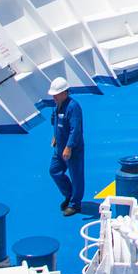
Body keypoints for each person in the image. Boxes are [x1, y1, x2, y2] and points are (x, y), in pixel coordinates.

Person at [48, 76, 85, 215]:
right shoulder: (57, 106)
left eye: (56, 94)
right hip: (59, 148)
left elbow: (75, 129)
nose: (54, 97)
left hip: (72, 149)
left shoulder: (73, 107)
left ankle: (75, 204)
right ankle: (69, 194)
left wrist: (69, 147)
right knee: (54, 170)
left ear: (64, 92)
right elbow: (56, 122)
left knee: (76, 176)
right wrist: (55, 137)